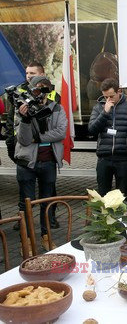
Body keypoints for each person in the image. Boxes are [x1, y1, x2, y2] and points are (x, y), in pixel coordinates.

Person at [5, 61, 61, 229]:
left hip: (44, 152)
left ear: (42, 73)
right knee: (25, 195)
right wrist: (11, 145)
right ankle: (23, 222)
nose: (29, 76)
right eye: (27, 73)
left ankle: (50, 218)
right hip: (23, 149)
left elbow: (58, 124)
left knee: (48, 192)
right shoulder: (19, 92)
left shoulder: (52, 94)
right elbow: (11, 122)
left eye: (33, 73)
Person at [14, 76, 66, 251]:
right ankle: (26, 241)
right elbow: (24, 140)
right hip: (26, 163)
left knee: (47, 203)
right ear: (31, 90)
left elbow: (60, 132)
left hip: (48, 162)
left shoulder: (57, 108)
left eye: (45, 88)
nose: (41, 92)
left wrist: (39, 138)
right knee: (26, 203)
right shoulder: (21, 109)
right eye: (38, 88)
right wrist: (26, 119)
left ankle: (46, 237)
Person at [88, 78, 127, 200]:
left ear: (119, 91)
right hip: (104, 158)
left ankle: (122, 219)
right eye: (105, 97)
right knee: (103, 194)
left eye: (111, 96)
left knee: (122, 194)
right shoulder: (98, 108)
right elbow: (92, 129)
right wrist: (105, 113)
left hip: (123, 159)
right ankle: (104, 218)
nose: (108, 99)